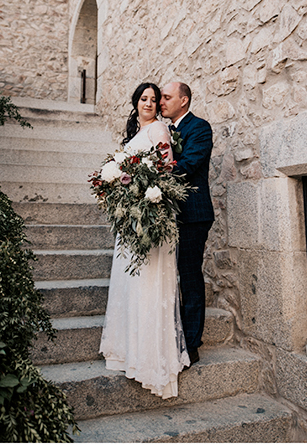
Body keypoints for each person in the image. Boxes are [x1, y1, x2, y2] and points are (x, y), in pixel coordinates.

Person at [99, 82, 190, 398]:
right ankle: (129, 350)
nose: (150, 103)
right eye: (144, 98)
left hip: (151, 220)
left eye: (154, 99)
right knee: (130, 285)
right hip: (130, 221)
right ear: (136, 102)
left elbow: (165, 172)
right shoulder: (133, 135)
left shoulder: (160, 132)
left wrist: (143, 197)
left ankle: (151, 358)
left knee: (148, 285)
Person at [159, 81, 214, 367]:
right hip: (168, 215)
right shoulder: (163, 131)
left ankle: (192, 342)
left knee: (190, 277)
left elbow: (189, 165)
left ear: (184, 100)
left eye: (167, 97)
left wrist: (151, 175)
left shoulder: (200, 128)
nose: (161, 102)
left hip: (192, 215)